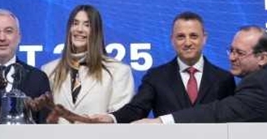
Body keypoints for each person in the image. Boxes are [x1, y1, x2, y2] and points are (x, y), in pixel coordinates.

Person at [134, 25, 267, 124]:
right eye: (231, 50)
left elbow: (218, 112)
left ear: (262, 57)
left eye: (240, 53)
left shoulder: (261, 84)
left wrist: (162, 121)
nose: (232, 58)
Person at [95, 11, 234, 124]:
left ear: (204, 38)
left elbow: (232, 117)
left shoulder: (224, 79)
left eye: (193, 36)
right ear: (172, 40)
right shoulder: (156, 77)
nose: (187, 43)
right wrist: (111, 118)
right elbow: (136, 109)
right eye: (181, 37)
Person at [40, 4, 134, 123]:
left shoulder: (119, 71)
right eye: (75, 23)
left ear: (96, 31)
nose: (79, 29)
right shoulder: (48, 70)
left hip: (100, 135)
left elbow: (120, 118)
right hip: (57, 135)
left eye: (87, 25)